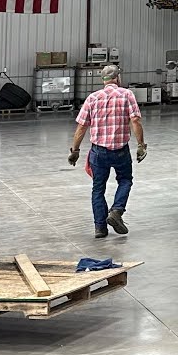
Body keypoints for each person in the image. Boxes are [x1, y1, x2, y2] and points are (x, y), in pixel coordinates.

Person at [67, 65, 148, 238]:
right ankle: (117, 211)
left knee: (98, 189)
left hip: (98, 152)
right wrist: (141, 145)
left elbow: (82, 127)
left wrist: (75, 150)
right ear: (118, 78)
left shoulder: (92, 98)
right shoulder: (127, 95)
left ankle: (100, 228)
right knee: (125, 180)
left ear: (103, 80)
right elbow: (136, 121)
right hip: (120, 150)